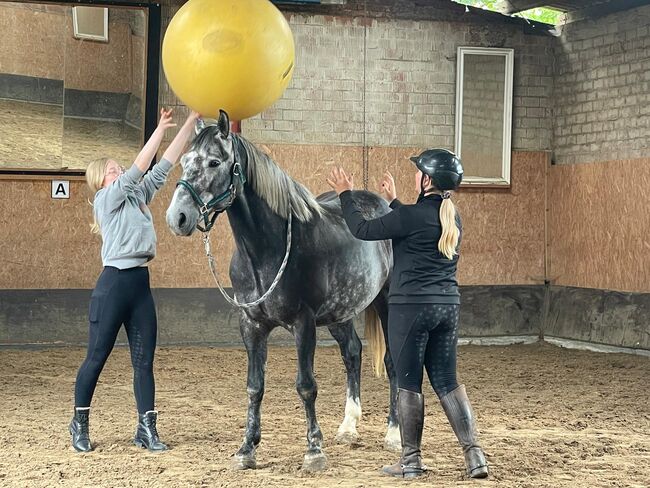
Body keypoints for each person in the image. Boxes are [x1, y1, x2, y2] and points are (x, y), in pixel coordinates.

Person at [326, 150, 489, 479]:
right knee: (447, 382)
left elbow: (361, 229)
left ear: (427, 180)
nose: (415, 174)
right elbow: (417, 225)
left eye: (418, 172)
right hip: (447, 308)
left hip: (410, 310)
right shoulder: (451, 217)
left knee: (410, 384)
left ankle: (411, 460)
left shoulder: (411, 217)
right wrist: (396, 201)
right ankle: (475, 457)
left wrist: (345, 192)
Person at [69, 108, 200, 453]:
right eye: (113, 169)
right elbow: (139, 168)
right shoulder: (106, 199)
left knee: (144, 362)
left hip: (140, 287)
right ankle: (79, 425)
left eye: (118, 166)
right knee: (96, 357)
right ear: (102, 181)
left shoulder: (137, 197)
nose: (120, 170)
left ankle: (146, 430)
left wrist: (190, 120)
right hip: (113, 287)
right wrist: (158, 129)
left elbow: (163, 166)